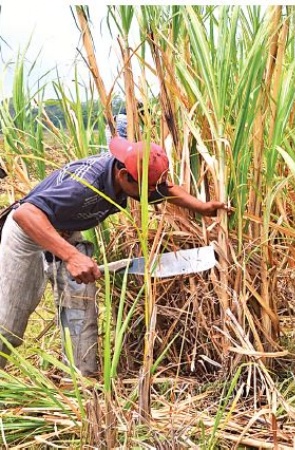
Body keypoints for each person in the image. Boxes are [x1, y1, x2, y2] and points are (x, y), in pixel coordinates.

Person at [0, 136, 228, 376]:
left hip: (65, 230)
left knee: (81, 315)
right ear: (123, 176)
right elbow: (25, 213)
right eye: (146, 189)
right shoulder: (83, 186)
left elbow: (164, 189)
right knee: (8, 325)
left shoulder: (131, 170)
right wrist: (72, 257)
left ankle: (79, 383)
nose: (151, 194)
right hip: (29, 233)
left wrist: (201, 207)